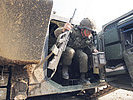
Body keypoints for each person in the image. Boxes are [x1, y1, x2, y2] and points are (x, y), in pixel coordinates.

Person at [54, 18, 98, 84]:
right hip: (66, 49)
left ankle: (82, 77)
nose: (89, 33)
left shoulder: (89, 37)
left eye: (90, 32)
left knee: (84, 56)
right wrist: (63, 29)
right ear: (82, 29)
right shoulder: (73, 30)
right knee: (71, 51)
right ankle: (64, 69)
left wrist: (94, 49)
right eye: (88, 31)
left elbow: (91, 45)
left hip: (77, 50)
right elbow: (56, 33)